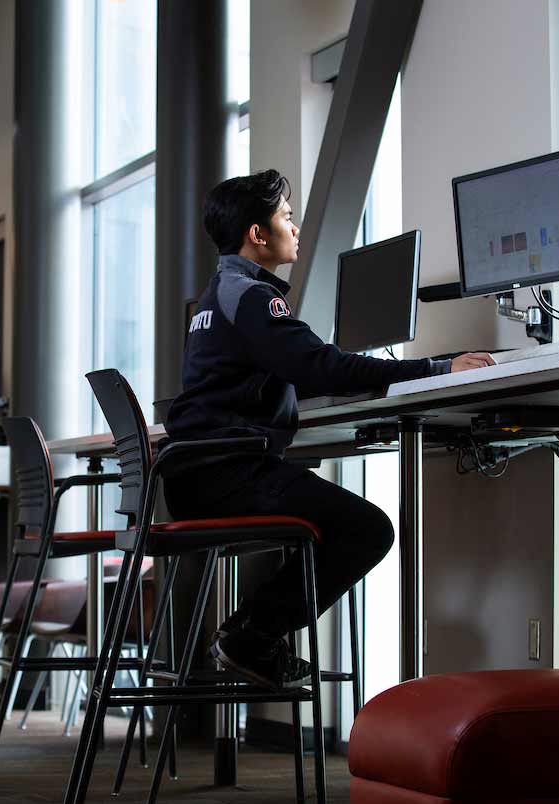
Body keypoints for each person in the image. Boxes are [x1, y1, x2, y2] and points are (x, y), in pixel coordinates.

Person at [162, 170, 494, 688]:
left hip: (201, 474)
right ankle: (251, 637)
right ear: (258, 234)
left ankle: (250, 633)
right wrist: (435, 369)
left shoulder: (216, 296)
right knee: (369, 528)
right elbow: (323, 367)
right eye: (286, 218)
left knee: (346, 521)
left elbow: (298, 369)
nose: (294, 228)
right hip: (228, 475)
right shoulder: (251, 297)